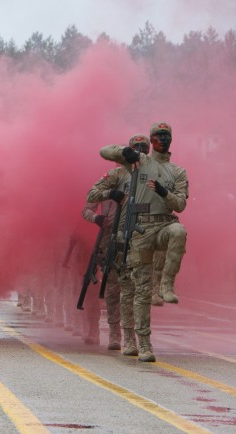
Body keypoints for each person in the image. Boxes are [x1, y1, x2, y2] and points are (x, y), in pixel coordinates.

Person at [87, 122, 188, 362]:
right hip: (126, 234)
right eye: (138, 147)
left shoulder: (175, 171)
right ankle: (128, 337)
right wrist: (109, 194)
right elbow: (92, 194)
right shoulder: (125, 170)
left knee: (175, 238)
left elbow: (180, 205)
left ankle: (164, 287)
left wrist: (164, 193)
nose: (142, 150)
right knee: (125, 288)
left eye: (145, 146)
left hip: (156, 228)